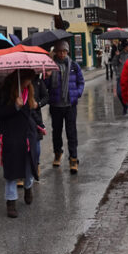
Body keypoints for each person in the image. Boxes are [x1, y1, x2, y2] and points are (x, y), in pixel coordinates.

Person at [0, 69, 40, 217]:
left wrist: (39, 125)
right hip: (11, 135)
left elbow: (32, 114)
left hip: (27, 133)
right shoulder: (3, 92)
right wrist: (15, 107)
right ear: (20, 78)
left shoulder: (29, 91)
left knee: (28, 165)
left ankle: (28, 187)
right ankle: (11, 202)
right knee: (12, 169)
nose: (29, 83)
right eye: (27, 80)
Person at [45, 40, 85, 173]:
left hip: (70, 105)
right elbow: (44, 86)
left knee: (71, 132)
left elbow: (81, 81)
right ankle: (58, 153)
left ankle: (73, 159)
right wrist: (47, 76)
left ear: (67, 52)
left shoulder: (73, 65)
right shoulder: (51, 66)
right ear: (55, 52)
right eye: (59, 51)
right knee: (56, 132)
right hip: (56, 105)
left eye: (64, 51)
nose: (62, 54)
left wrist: (77, 94)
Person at [113, 40, 128, 115]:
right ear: (124, 47)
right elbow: (114, 63)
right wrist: (116, 56)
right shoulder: (119, 54)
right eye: (127, 46)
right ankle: (125, 106)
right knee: (119, 93)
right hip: (120, 77)